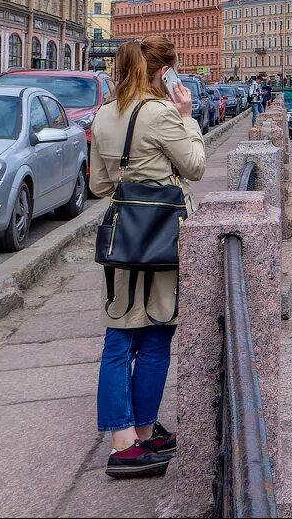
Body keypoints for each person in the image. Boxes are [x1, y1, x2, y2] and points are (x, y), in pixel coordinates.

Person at [90, 34, 206, 479]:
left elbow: (99, 185)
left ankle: (133, 435)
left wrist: (130, 175)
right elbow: (195, 165)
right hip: (161, 234)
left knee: (119, 334)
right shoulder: (160, 113)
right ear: (163, 73)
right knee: (157, 332)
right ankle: (130, 441)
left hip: (122, 234)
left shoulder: (104, 114)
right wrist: (188, 117)